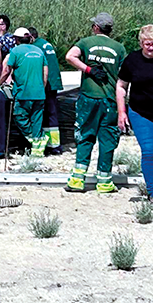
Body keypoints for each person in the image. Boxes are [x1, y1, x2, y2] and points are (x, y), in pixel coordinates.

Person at [64, 12, 127, 194]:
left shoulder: (86, 43)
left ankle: (77, 180)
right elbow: (123, 75)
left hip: (89, 97)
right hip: (110, 99)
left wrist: (89, 69)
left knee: (85, 135)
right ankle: (105, 182)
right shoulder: (119, 48)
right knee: (108, 140)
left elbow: (70, 56)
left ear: (96, 27)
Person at [116, 24, 153, 201]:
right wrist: (121, 112)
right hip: (140, 112)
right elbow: (121, 86)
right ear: (141, 43)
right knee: (149, 151)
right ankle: (152, 193)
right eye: (147, 43)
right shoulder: (132, 60)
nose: (151, 47)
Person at [2, 27, 48, 157]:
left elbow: (6, 71)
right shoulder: (39, 51)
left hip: (23, 92)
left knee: (19, 116)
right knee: (37, 120)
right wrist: (41, 87)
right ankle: (38, 149)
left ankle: (34, 138)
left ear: (16, 39)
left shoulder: (15, 51)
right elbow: (45, 72)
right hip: (39, 92)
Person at [29, 27, 64, 155]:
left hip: (46, 83)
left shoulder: (36, 47)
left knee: (44, 113)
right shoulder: (45, 43)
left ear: (31, 37)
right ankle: (55, 144)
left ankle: (50, 145)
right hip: (54, 81)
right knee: (52, 113)